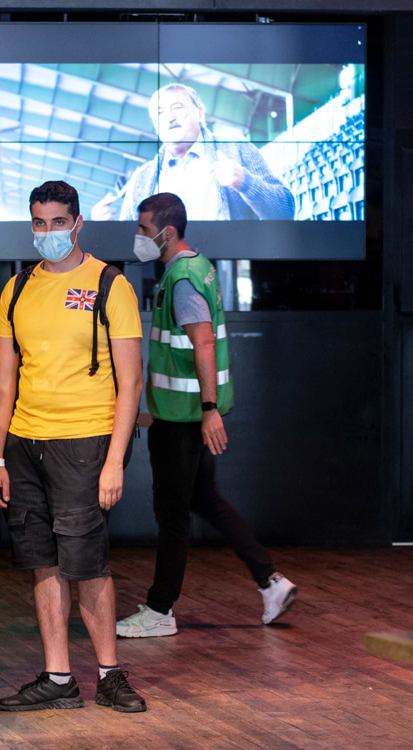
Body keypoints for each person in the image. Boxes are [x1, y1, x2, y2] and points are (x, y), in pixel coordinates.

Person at [0, 180, 147, 713]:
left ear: (78, 223)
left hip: (85, 442)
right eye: (39, 222)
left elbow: (131, 382)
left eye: (58, 222)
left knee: (88, 564)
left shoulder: (109, 284)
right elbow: (4, 380)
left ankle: (110, 675)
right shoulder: (16, 289)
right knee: (43, 562)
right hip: (24, 443)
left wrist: (115, 461)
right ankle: (58, 678)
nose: (48, 231)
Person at [115, 193, 298, 639]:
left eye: (143, 229)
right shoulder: (198, 266)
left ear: (167, 232)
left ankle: (160, 609)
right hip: (181, 415)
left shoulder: (182, 278)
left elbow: (204, 343)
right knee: (205, 500)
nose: (138, 236)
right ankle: (270, 581)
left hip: (182, 419)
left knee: (173, 514)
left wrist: (209, 410)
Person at [91, 83, 294, 223]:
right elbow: (130, 250)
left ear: (200, 112)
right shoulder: (142, 179)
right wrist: (104, 228)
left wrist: (245, 182)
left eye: (177, 107)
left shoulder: (236, 149)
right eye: (160, 113)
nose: (169, 118)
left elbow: (285, 211)